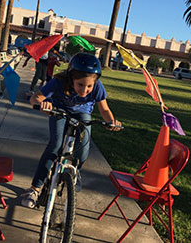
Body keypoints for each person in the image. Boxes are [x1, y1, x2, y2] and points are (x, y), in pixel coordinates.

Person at [21, 52, 122, 208]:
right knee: (55, 146)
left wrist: (112, 122)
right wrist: (42, 105)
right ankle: (35, 188)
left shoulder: (98, 88)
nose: (85, 89)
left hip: (83, 114)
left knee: (83, 149)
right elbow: (36, 97)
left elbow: (104, 110)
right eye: (80, 84)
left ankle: (75, 173)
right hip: (60, 110)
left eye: (89, 86)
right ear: (71, 78)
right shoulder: (58, 82)